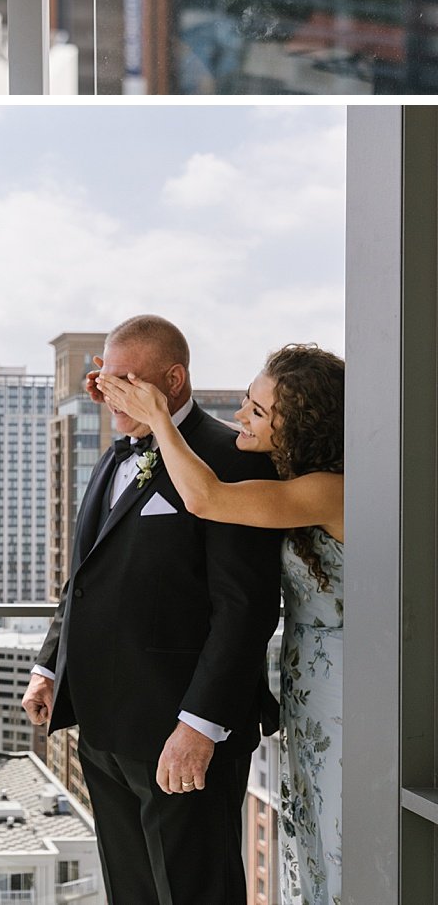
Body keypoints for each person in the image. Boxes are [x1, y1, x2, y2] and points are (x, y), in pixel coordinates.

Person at [22, 315, 282, 905]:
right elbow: (84, 579)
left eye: (126, 380)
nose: (109, 393)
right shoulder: (114, 456)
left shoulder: (230, 457)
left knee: (195, 891)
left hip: (181, 734)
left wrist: (198, 726)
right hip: (104, 728)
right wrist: (48, 667)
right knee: (131, 892)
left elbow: (245, 608)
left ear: (174, 379)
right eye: (104, 379)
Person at [99, 342, 344, 905]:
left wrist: (160, 417)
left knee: (338, 832)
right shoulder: (295, 484)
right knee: (311, 831)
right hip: (307, 693)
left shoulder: (329, 490)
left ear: (304, 425)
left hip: (346, 694)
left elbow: (205, 499)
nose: (240, 416)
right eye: (245, 402)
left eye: (258, 411)